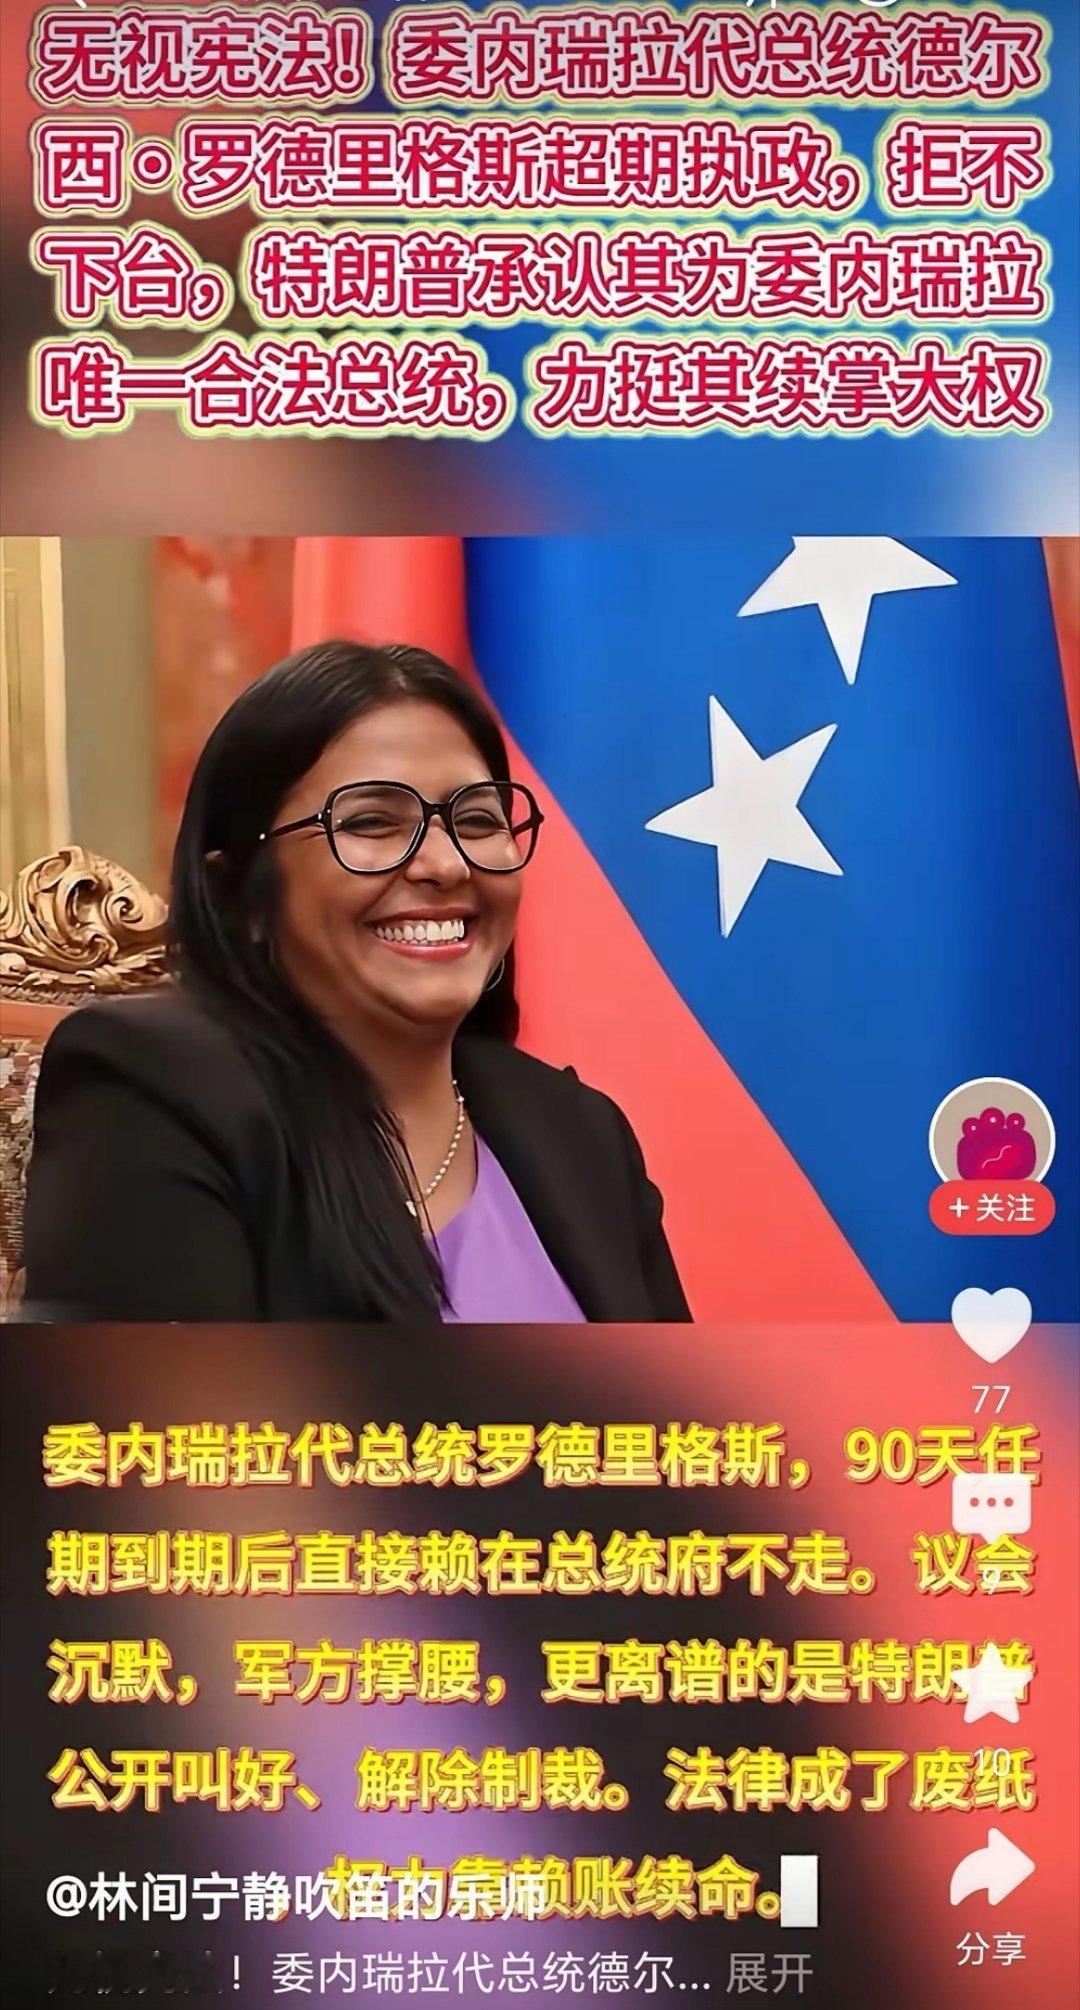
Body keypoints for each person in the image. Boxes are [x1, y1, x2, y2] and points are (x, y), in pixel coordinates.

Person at [23, 640, 691, 1323]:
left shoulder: (581, 1132)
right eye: (372, 822)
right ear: (241, 894)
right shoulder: (150, 1090)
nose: (446, 865)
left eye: (477, 820)